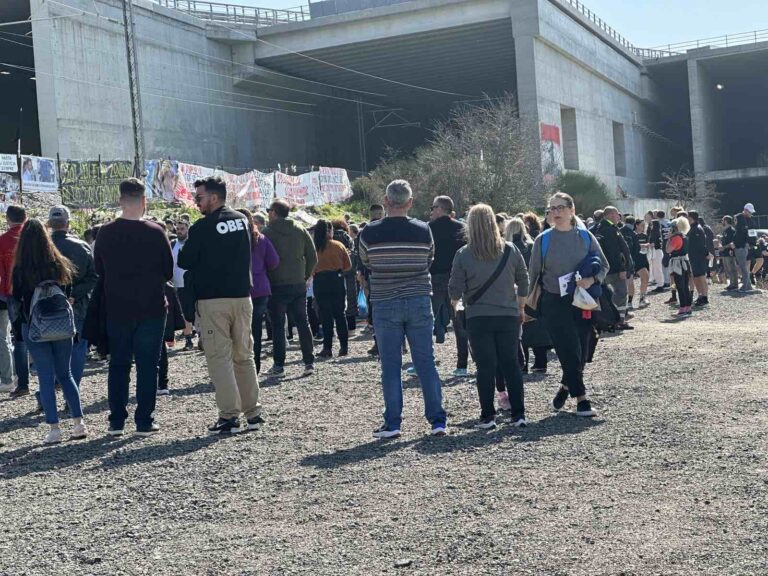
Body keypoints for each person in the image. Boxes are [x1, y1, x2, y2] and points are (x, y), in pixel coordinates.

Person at [359, 180, 447, 439]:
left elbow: (366, 262)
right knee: (425, 362)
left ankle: (393, 422)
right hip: (419, 298)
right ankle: (437, 420)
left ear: (386, 202)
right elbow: (429, 259)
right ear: (410, 202)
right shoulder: (423, 230)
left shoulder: (369, 232)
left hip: (386, 301)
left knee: (390, 364)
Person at [178, 176, 263, 434]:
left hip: (214, 300)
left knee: (219, 359)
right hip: (242, 297)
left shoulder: (202, 227)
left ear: (214, 197)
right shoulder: (242, 220)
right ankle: (253, 413)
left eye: (199, 197)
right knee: (244, 355)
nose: (196, 202)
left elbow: (185, 260)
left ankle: (229, 416)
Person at [95, 178, 173, 436]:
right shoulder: (156, 232)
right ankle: (144, 420)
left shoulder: (104, 233)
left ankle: (116, 421)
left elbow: (99, 271)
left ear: (120, 201)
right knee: (148, 365)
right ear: (144, 201)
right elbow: (168, 271)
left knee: (119, 365)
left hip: (117, 307)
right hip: (151, 307)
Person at [526, 192, 608, 417]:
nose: (555, 212)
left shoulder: (585, 237)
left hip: (581, 300)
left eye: (560, 208)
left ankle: (565, 385)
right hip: (554, 301)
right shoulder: (542, 240)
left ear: (572, 210)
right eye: (551, 209)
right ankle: (582, 399)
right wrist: (524, 304)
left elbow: (603, 266)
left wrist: (591, 279)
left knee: (582, 349)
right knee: (567, 348)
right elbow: (533, 275)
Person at [450, 204, 529, 429]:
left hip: (478, 317)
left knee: (485, 367)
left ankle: (488, 416)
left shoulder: (464, 254)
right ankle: (518, 414)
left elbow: (454, 288)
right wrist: (520, 307)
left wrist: (455, 308)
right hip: (507, 315)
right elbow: (524, 281)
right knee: (511, 365)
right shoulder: (510, 250)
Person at [12, 219, 87, 444]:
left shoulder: (21, 269)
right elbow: (69, 290)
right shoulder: (58, 263)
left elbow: (17, 301)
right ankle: (78, 423)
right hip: (62, 325)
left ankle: (54, 429)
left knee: (45, 377)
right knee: (66, 374)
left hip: (34, 326)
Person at [262, 199, 318, 377]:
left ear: (274, 212)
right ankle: (309, 362)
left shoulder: (267, 232)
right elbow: (313, 256)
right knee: (303, 322)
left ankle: (279, 366)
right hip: (298, 284)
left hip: (276, 284)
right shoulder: (299, 229)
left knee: (278, 326)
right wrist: (305, 274)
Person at [48, 206, 98, 387]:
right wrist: (74, 295)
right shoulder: (81, 246)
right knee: (77, 347)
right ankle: (72, 388)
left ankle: (48, 391)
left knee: (50, 348)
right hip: (77, 305)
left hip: (47, 305)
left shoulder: (40, 247)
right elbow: (93, 277)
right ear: (68, 223)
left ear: (50, 224)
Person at [238, 208, 279, 375]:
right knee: (255, 329)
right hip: (261, 288)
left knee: (239, 330)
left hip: (239, 289)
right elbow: (274, 262)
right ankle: (254, 366)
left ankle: (240, 367)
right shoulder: (261, 239)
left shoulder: (232, 240)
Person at [428, 195, 466, 346]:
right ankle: (462, 357)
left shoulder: (429, 228)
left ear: (439, 209)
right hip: (457, 276)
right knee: (459, 317)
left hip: (435, 275)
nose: (431, 211)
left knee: (433, 312)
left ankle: (437, 332)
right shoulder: (461, 228)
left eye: (433, 207)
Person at [312, 219, 352, 358]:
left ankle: (327, 348)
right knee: (340, 314)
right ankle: (344, 347)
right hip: (337, 280)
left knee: (326, 316)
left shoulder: (314, 247)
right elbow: (348, 266)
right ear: (330, 231)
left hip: (320, 282)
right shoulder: (338, 246)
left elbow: (310, 268)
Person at [0, 205, 26, 396]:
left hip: (8, 293)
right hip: (35, 293)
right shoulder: (36, 237)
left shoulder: (2, 241)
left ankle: (10, 378)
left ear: (8, 219)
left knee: (8, 336)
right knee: (31, 334)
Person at [593, 206, 633, 329]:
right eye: (617, 214)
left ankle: (610, 320)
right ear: (610, 215)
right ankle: (619, 320)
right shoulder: (610, 230)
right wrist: (622, 268)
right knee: (621, 293)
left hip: (605, 269)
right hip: (614, 270)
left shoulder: (599, 228)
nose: (619, 217)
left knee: (608, 294)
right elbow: (616, 252)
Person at [171, 219, 195, 351]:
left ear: (187, 229)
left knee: (197, 311)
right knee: (184, 312)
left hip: (193, 283)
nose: (179, 231)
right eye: (178, 229)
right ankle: (188, 339)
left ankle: (203, 337)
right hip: (178, 283)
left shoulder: (193, 243)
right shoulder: (172, 244)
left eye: (182, 229)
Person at [331, 219, 358, 331]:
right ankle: (351, 327)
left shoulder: (331, 239)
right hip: (349, 273)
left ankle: (338, 327)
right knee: (351, 299)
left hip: (334, 273)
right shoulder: (348, 238)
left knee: (336, 301)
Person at [667, 217, 692, 317]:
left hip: (678, 264)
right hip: (685, 262)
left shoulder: (676, 238)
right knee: (685, 286)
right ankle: (688, 307)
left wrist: (669, 239)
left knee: (680, 287)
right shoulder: (684, 237)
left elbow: (668, 250)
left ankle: (683, 308)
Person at [686, 211, 709, 307]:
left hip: (699, 257)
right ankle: (700, 295)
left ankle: (705, 297)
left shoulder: (698, 229)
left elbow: (701, 244)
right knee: (695, 277)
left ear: (691, 218)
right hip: (692, 257)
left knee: (701, 277)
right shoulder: (692, 228)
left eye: (688, 217)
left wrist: (705, 254)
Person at [734, 203, 756, 292]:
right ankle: (748, 285)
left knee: (743, 267)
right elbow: (737, 232)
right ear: (745, 210)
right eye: (750, 212)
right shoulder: (739, 218)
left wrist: (751, 243)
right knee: (742, 266)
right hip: (739, 245)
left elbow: (752, 233)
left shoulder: (750, 221)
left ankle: (746, 286)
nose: (751, 214)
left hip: (744, 246)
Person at [631, 217, 650, 308]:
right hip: (635, 259)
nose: (643, 227)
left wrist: (647, 245)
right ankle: (632, 299)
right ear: (636, 225)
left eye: (644, 225)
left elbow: (647, 245)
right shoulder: (633, 235)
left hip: (644, 258)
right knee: (644, 276)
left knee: (645, 278)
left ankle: (642, 297)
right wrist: (643, 245)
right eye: (642, 225)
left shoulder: (645, 236)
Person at [719, 215, 738, 290]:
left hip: (730, 252)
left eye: (723, 220)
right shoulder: (725, 231)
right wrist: (720, 245)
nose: (722, 221)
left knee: (732, 268)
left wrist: (724, 247)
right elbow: (723, 241)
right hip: (724, 253)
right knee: (727, 269)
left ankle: (734, 284)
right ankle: (731, 283)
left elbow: (732, 242)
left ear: (726, 221)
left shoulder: (731, 230)